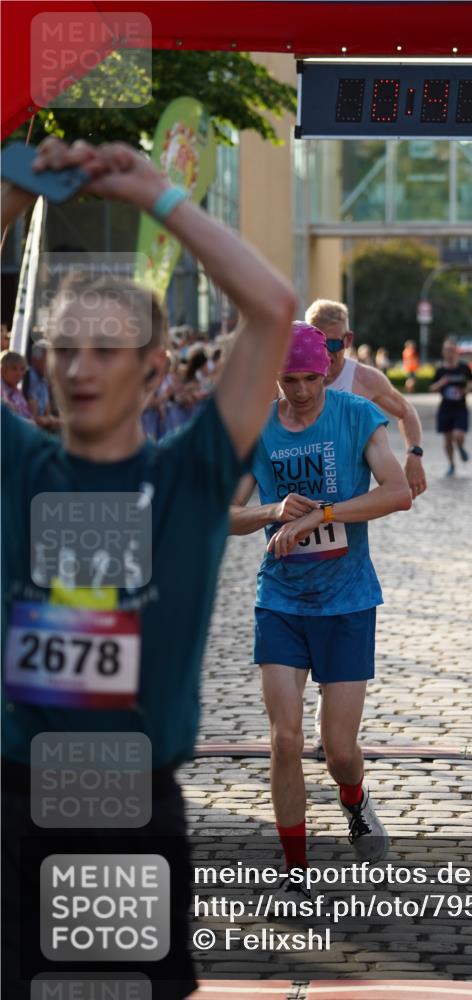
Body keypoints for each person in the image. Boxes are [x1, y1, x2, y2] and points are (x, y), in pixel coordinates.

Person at [1, 136, 296, 999]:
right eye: (66, 349)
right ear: (43, 364)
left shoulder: (191, 474)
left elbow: (274, 310)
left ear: (155, 368)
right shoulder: (18, 466)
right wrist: (17, 191)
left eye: (109, 349)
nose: (83, 368)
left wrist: (159, 197)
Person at [229, 322, 412, 898]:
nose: (302, 389)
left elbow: (397, 490)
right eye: (289, 379)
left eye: (311, 377)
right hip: (280, 599)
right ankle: (295, 867)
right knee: (284, 739)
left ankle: (354, 798)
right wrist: (272, 511)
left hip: (348, 600)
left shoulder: (356, 414)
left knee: (339, 751)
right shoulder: (255, 429)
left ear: (327, 370)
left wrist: (321, 515)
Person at [305, 300, 427, 500]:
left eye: (333, 344)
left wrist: (414, 454)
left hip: (347, 498)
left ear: (348, 340)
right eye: (318, 343)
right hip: (299, 491)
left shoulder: (365, 379)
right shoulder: (289, 379)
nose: (326, 353)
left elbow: (406, 411)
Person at [430, 338, 472, 477]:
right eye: (446, 349)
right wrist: (441, 383)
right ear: (443, 352)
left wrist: (467, 389)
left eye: (451, 349)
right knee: (447, 439)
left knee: (458, 435)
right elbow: (432, 388)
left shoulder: (463, 367)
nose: (449, 352)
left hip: (460, 407)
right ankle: (451, 464)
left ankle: (461, 447)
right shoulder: (440, 370)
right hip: (445, 408)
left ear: (456, 351)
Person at [22, 337, 61, 432]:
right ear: (35, 359)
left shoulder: (43, 378)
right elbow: (35, 419)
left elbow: (47, 415)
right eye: (47, 360)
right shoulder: (31, 376)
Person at [1, 350, 33, 421]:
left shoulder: (16, 392)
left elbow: (29, 417)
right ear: (2, 370)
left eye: (22, 369)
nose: (19, 374)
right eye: (14, 368)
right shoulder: (2, 390)